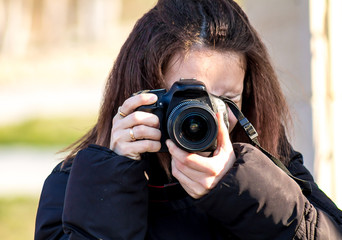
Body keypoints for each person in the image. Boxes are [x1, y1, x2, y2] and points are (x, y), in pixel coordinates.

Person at [35, 0, 342, 239]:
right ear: (141, 95)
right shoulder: (75, 185)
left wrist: (245, 189)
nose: (209, 116)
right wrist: (112, 180)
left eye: (227, 100)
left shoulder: (271, 163)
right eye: (189, 97)